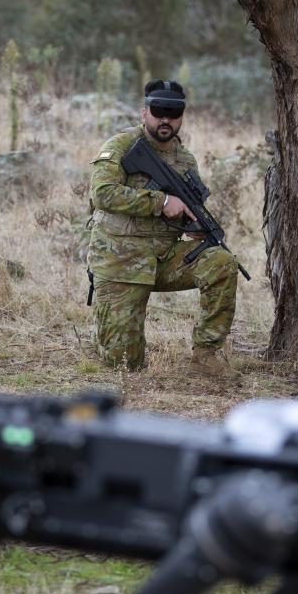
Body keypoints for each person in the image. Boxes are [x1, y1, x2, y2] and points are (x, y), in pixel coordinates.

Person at [86, 80, 239, 378]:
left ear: (181, 116)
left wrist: (195, 227)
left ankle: (205, 356)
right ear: (144, 113)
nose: (165, 119)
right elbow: (102, 194)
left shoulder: (185, 159)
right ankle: (110, 332)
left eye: (174, 112)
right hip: (121, 261)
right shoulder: (121, 146)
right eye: (158, 111)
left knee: (221, 262)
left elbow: (182, 212)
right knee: (124, 364)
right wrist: (161, 201)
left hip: (164, 258)